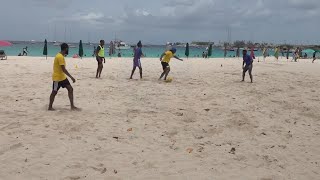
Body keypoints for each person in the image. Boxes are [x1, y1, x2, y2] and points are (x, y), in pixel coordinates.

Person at [48, 43, 79, 111]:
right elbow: (64, 69)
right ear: (66, 49)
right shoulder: (60, 57)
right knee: (54, 92)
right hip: (57, 78)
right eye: (68, 49)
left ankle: (72, 106)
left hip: (62, 77)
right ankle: (50, 107)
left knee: (70, 89)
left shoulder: (60, 56)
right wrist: (71, 77)